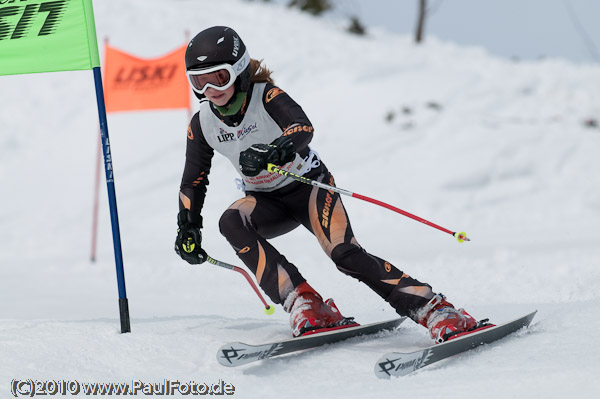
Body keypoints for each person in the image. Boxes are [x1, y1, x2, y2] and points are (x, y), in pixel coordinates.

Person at [174, 26, 477, 341]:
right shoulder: (202, 123)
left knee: (344, 254)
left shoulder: (266, 97)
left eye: (218, 77)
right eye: (199, 80)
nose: (209, 88)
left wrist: (274, 150)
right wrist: (188, 226)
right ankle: (305, 302)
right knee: (231, 221)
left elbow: (302, 127)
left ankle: (436, 309)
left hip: (309, 187)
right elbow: (193, 180)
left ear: (238, 69)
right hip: (266, 202)